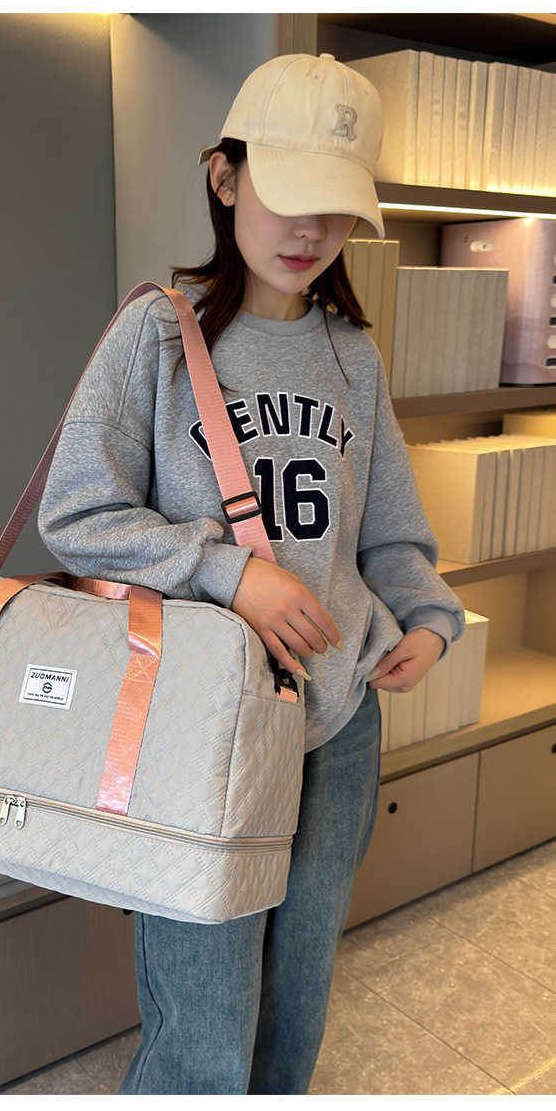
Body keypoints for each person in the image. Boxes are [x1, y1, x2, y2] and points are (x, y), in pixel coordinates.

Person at [38, 53, 465, 1095]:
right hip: (200, 726)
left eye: (335, 204)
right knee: (204, 1025)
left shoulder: (351, 356)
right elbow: (77, 514)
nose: (309, 229)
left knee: (294, 1002)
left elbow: (389, 534)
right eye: (286, 192)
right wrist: (229, 574)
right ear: (224, 178)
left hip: (337, 721)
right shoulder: (155, 334)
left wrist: (426, 616)